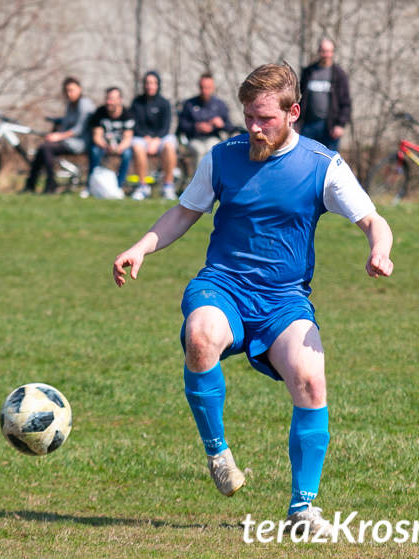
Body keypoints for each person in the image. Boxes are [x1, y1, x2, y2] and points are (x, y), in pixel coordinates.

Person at [112, 63, 393, 536]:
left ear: (293, 112)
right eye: (248, 117)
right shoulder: (222, 158)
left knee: (309, 378)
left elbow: (373, 219)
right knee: (201, 336)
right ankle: (218, 452)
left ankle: (302, 509)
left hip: (283, 300)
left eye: (264, 118)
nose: (254, 127)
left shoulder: (323, 165)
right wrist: (141, 247)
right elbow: (184, 212)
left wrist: (379, 249)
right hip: (222, 284)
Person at [24, 76, 95, 194]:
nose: (69, 93)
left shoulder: (85, 105)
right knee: (42, 149)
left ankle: (51, 182)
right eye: (67, 91)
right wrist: (56, 122)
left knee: (46, 148)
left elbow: (79, 129)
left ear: (80, 89)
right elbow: (67, 122)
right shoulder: (70, 105)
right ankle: (31, 185)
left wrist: (58, 136)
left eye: (72, 90)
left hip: (80, 142)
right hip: (69, 140)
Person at [129, 70, 178, 201]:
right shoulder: (136, 103)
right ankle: (142, 186)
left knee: (169, 145)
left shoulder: (164, 103)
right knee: (137, 147)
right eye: (147, 83)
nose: (150, 86)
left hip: (161, 138)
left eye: (153, 83)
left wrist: (156, 140)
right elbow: (134, 125)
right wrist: (146, 138)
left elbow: (166, 126)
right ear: (144, 85)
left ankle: (168, 185)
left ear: (158, 85)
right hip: (142, 138)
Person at [298, 38, 351, 151]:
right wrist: (297, 121)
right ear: (318, 51)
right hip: (308, 126)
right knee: (306, 158)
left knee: (328, 162)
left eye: (328, 51)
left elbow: (346, 103)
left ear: (332, 52)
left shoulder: (339, 74)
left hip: (330, 127)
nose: (326, 54)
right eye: (323, 51)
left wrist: (340, 125)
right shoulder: (308, 72)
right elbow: (299, 97)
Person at [177, 72, 235, 174]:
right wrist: (196, 127)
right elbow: (181, 125)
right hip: (194, 139)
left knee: (211, 149)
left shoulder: (219, 104)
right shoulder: (189, 104)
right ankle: (200, 183)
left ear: (213, 88)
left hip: (213, 138)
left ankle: (214, 182)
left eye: (207, 87)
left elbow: (230, 127)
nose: (204, 91)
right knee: (199, 150)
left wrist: (221, 124)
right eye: (202, 87)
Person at [88, 86, 135, 190]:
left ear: (119, 100)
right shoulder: (99, 113)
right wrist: (106, 146)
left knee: (128, 154)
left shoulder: (128, 114)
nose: (109, 102)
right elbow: (97, 136)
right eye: (107, 98)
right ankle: (91, 185)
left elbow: (128, 138)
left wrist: (119, 148)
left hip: (121, 145)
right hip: (103, 145)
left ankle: (118, 187)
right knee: (94, 151)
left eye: (112, 99)